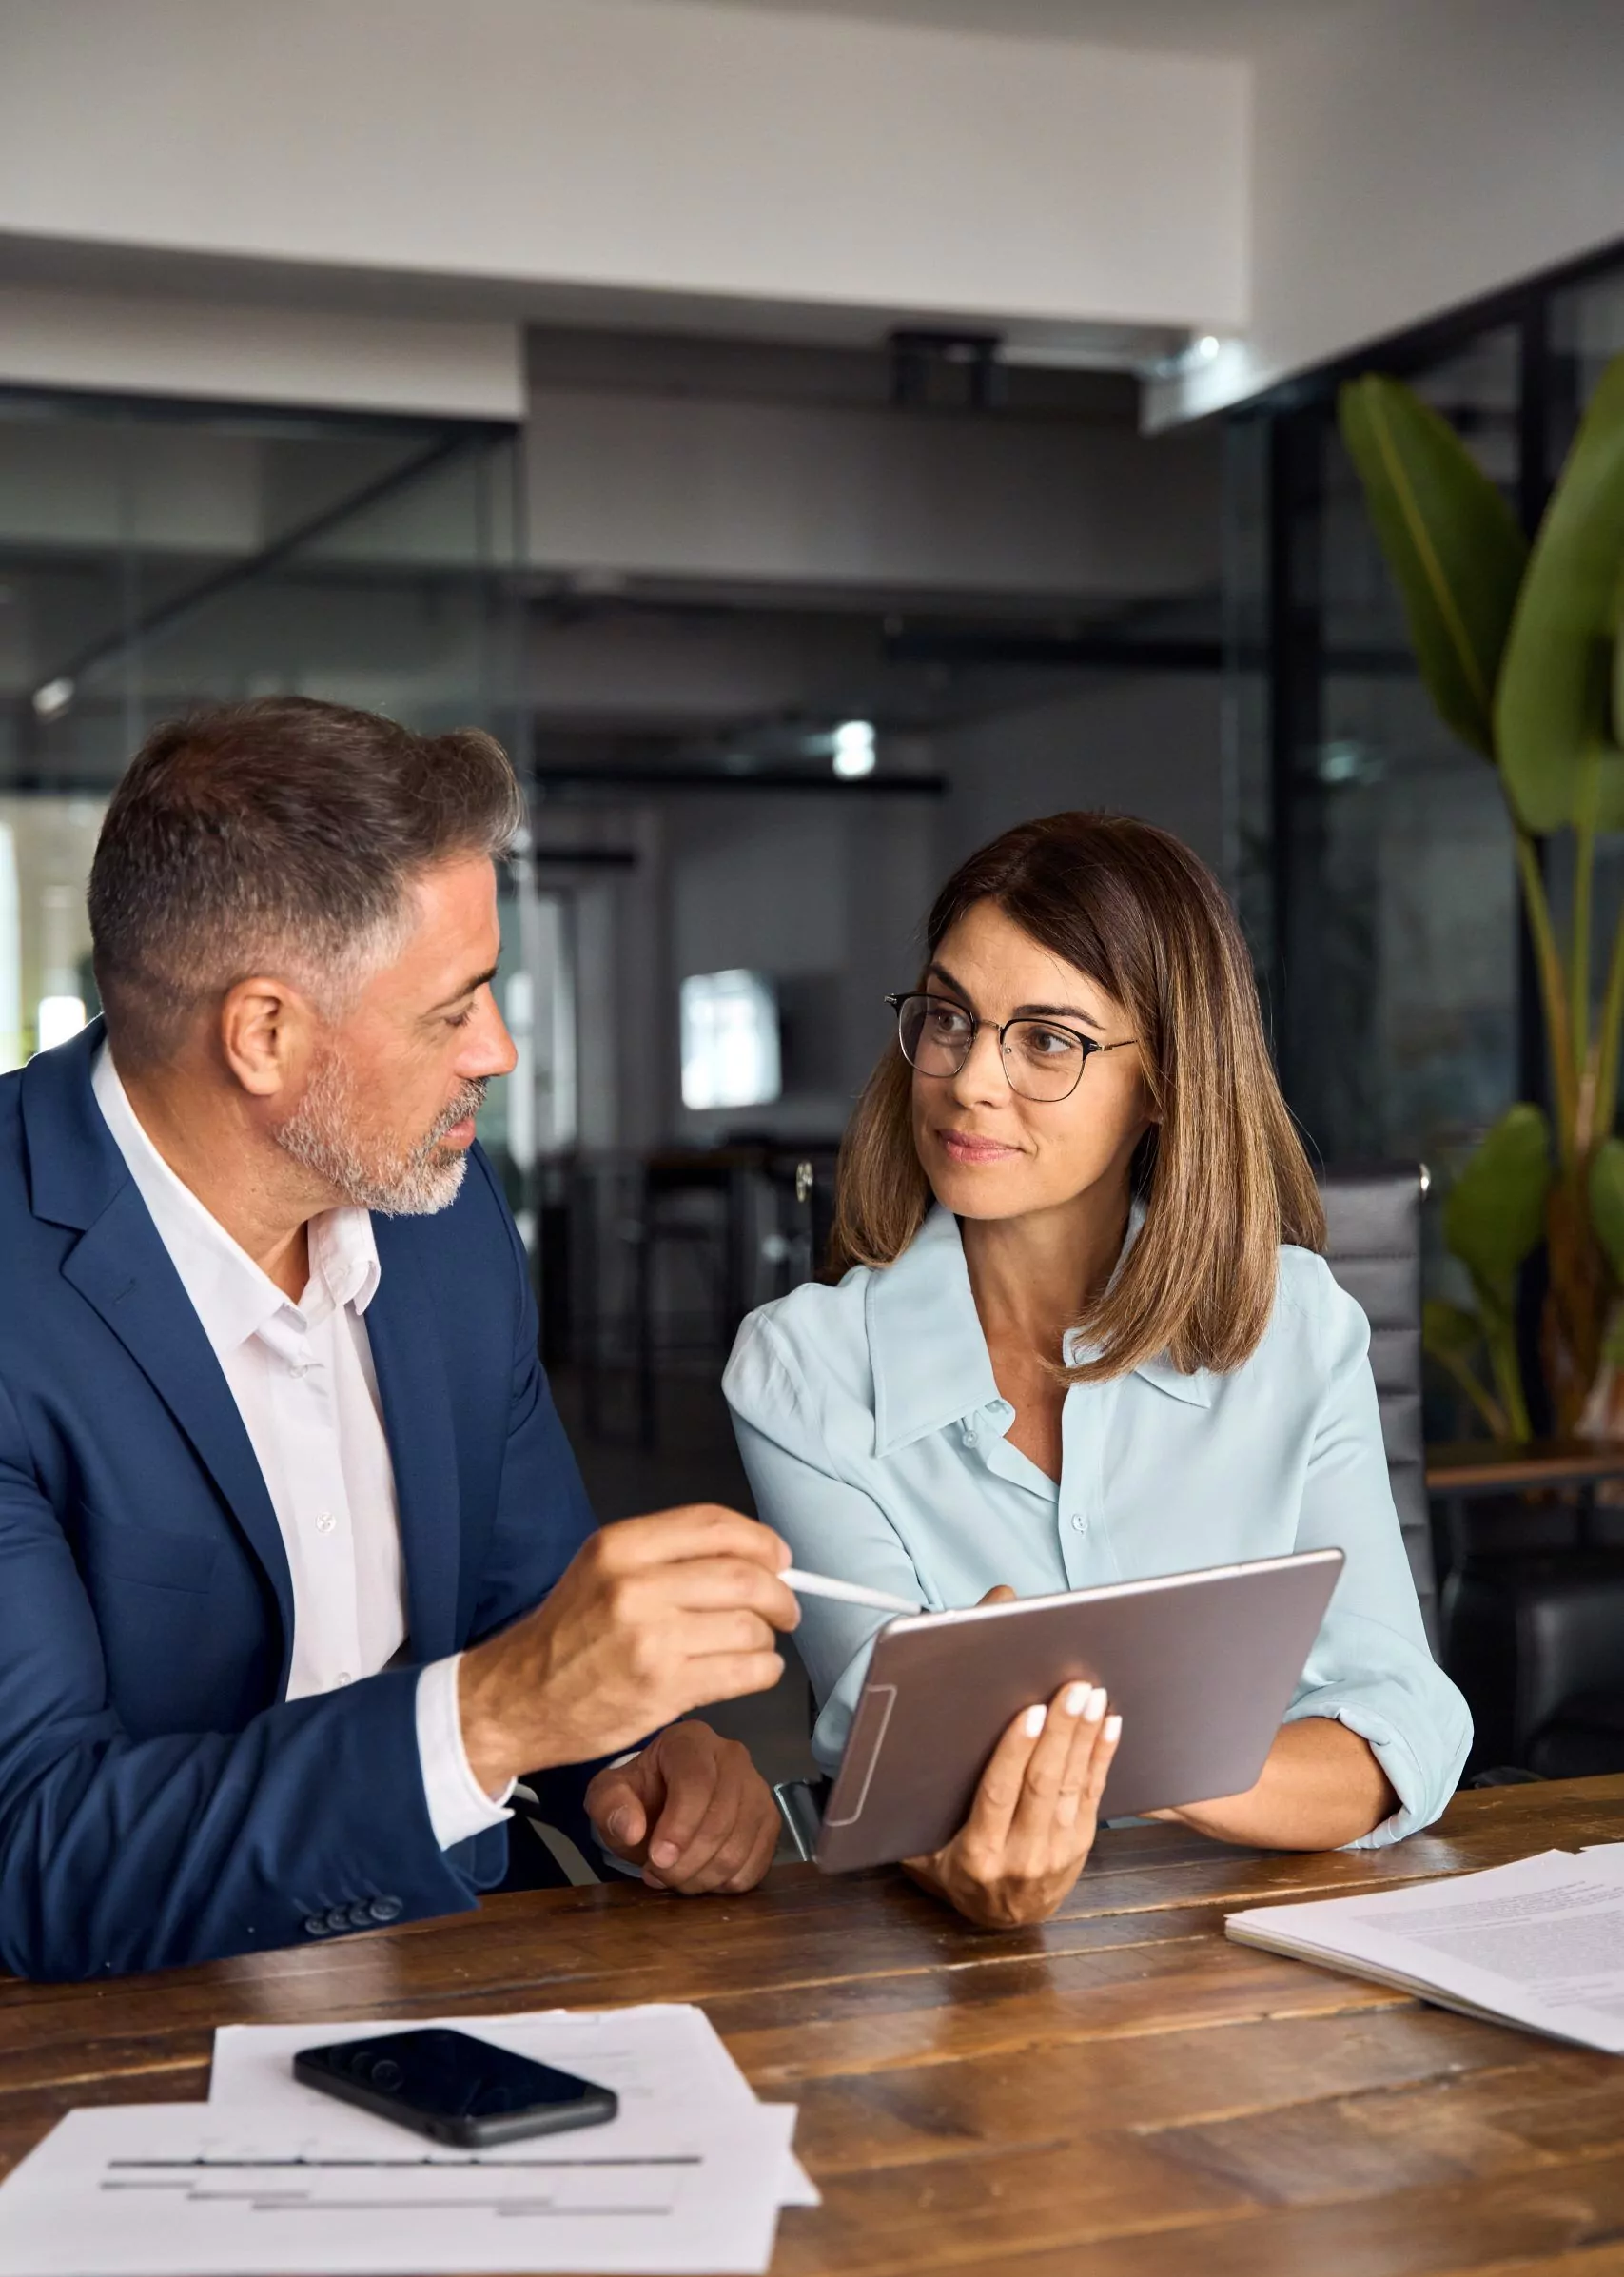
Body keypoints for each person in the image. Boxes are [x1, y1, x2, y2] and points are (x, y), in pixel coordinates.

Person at [0, 698, 798, 1981]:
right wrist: (493, 1718)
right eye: (453, 1006)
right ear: (264, 1034)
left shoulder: (440, 1208)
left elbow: (527, 1599)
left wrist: (643, 1748)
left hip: (468, 1956)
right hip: (119, 2028)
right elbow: (35, 1860)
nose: (498, 1050)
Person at [725, 811, 1471, 1930]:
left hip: (1273, 1951)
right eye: (949, 1019)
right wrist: (1179, 1749)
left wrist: (1137, 1760)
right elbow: (897, 1771)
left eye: (1047, 1039)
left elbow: (1400, 1727)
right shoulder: (803, 1374)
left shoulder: (1296, 1325)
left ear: (1164, 1081)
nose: (972, 1079)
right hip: (952, 1981)